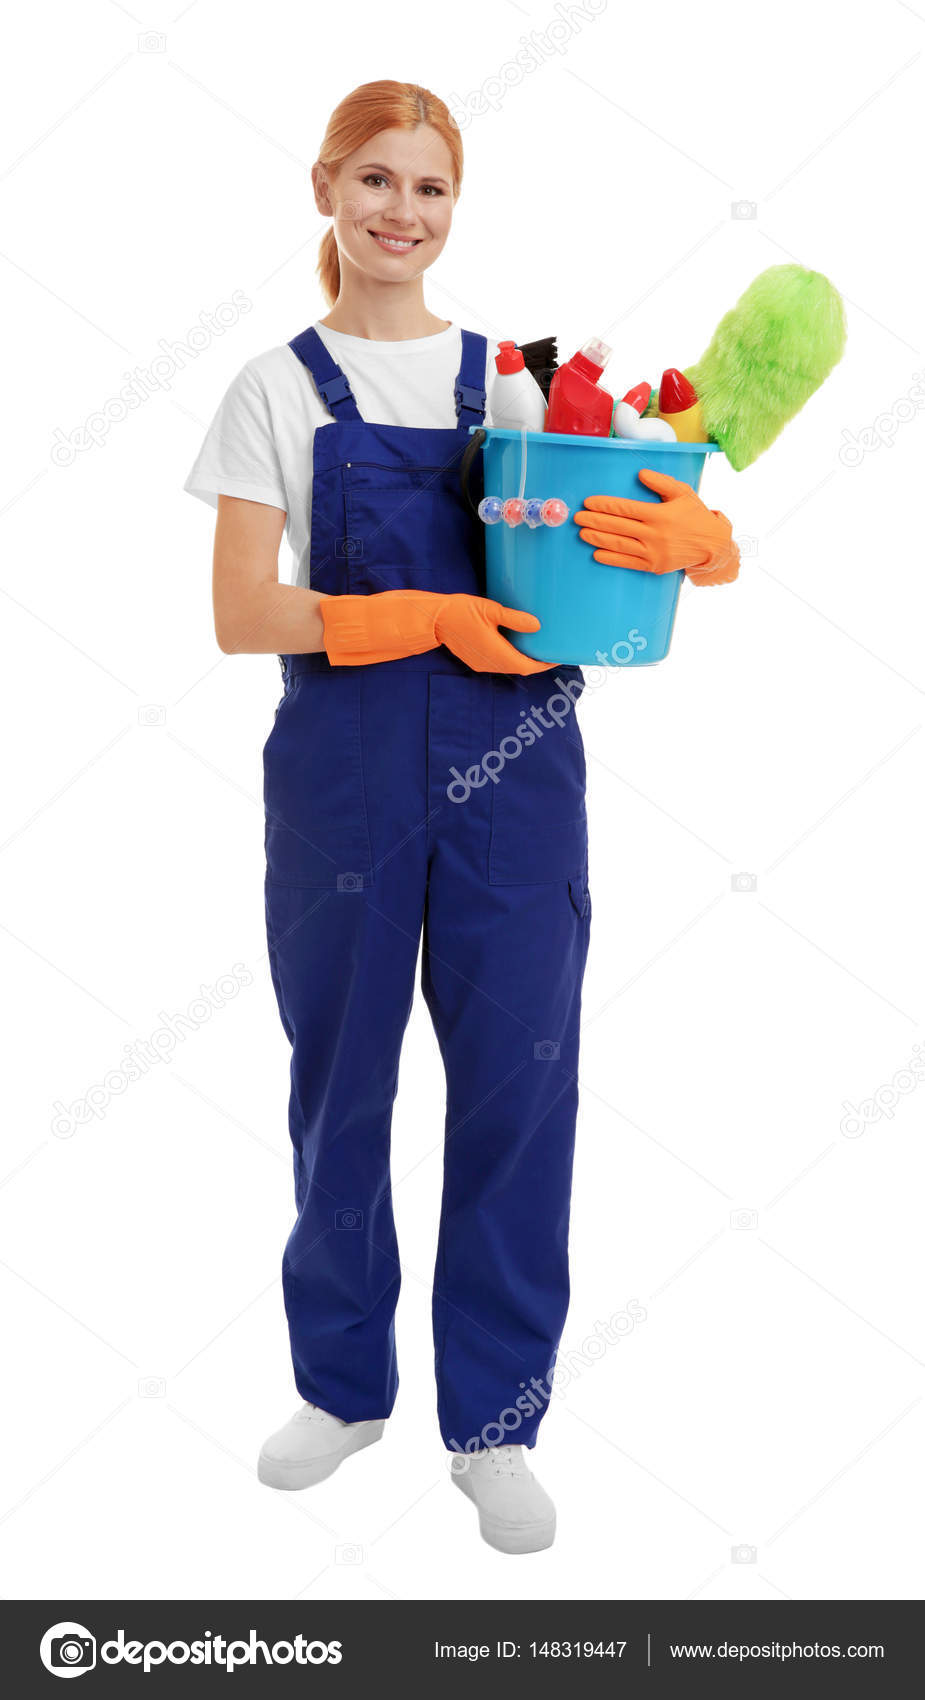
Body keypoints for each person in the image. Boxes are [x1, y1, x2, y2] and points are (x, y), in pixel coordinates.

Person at [184, 79, 739, 1556]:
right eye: (373, 180)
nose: (399, 213)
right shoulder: (274, 387)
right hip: (341, 782)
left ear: (453, 209)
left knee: (516, 1089)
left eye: (428, 189)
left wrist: (705, 540)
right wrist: (421, 610)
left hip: (517, 778)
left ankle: (494, 1427)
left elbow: (629, 530)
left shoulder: (523, 380)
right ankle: (342, 1389)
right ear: (324, 189)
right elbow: (244, 614)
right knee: (339, 1084)